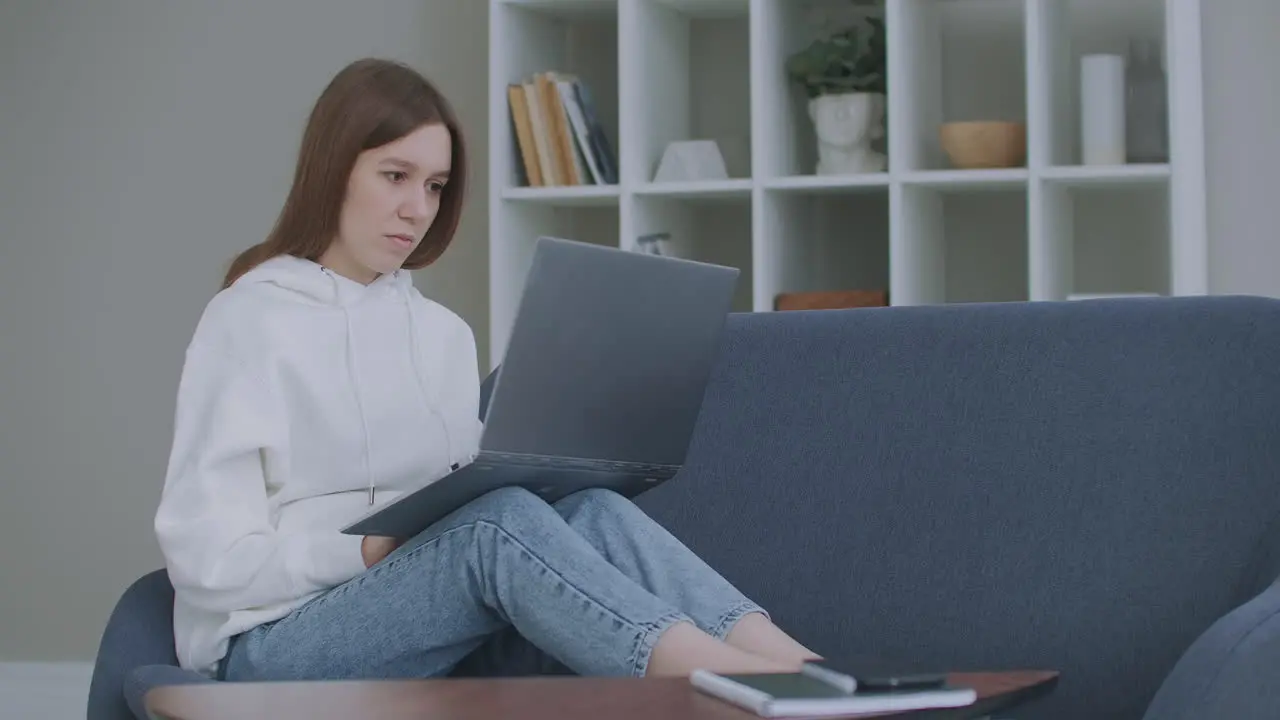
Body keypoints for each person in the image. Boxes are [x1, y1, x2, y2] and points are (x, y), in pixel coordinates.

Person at [153, 57, 820, 684]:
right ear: (334, 171)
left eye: (435, 186)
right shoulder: (250, 321)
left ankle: (810, 673)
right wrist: (361, 552)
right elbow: (205, 558)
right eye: (395, 176)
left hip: (413, 617)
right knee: (496, 525)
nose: (418, 209)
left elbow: (454, 503)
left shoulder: (442, 335)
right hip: (272, 645)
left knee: (591, 508)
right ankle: (730, 685)